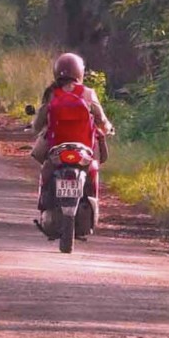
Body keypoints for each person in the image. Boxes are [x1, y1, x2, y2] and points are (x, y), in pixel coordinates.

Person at [30, 51, 112, 224]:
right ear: (79, 72)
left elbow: (38, 123)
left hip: (57, 148)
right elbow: (101, 119)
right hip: (84, 149)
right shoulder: (88, 93)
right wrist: (107, 128)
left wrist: (36, 127)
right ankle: (93, 201)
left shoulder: (52, 93)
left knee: (45, 165)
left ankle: (44, 198)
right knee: (94, 168)